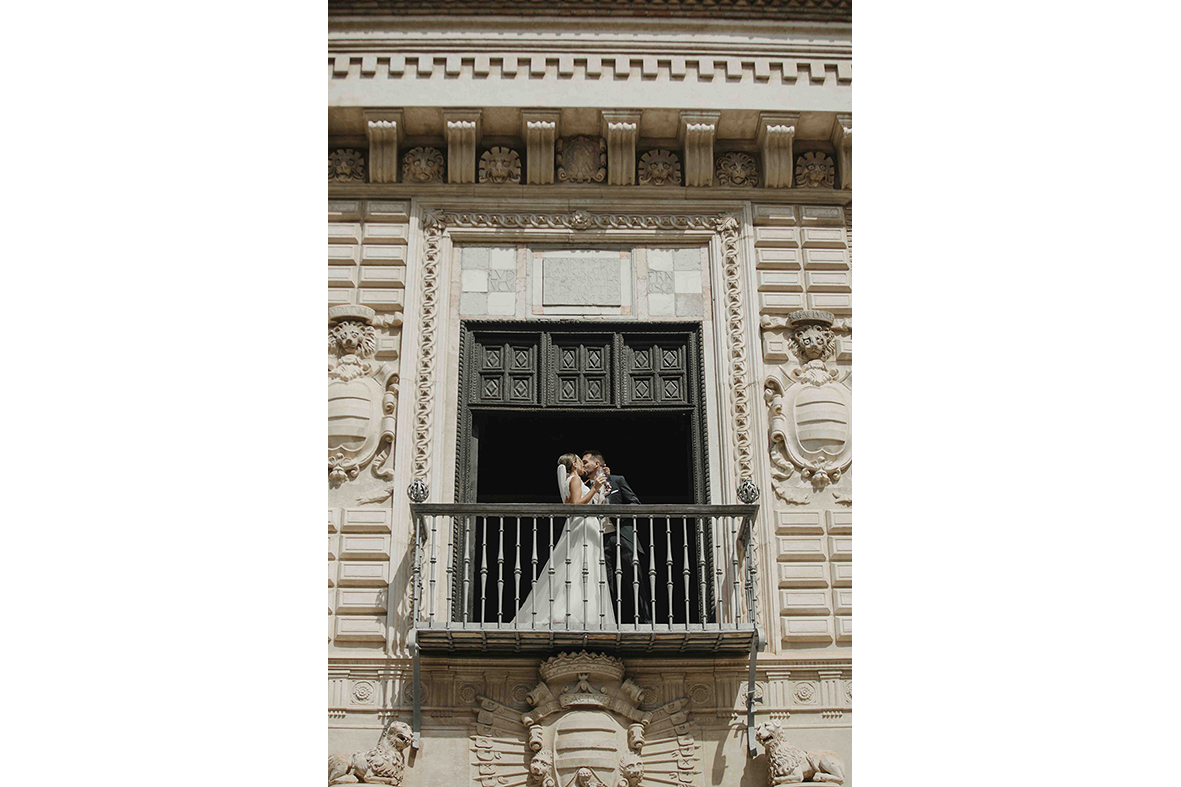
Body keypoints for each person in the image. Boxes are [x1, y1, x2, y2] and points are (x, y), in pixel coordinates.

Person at [512, 453, 615, 629]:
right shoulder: (575, 480)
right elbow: (576, 505)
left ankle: (583, 611)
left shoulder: (574, 480)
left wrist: (597, 485)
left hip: (586, 525)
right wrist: (594, 488)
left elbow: (573, 503)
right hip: (583, 525)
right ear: (574, 464)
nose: (583, 465)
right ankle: (569, 611)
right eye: (580, 462)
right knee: (581, 566)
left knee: (583, 567)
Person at [581, 450, 652, 624]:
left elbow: (635, 503)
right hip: (598, 539)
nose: (583, 465)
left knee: (634, 578)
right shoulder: (584, 487)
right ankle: (610, 622)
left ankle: (645, 621)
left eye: (585, 462)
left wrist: (617, 513)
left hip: (621, 534)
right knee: (605, 582)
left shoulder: (617, 480)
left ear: (597, 464)